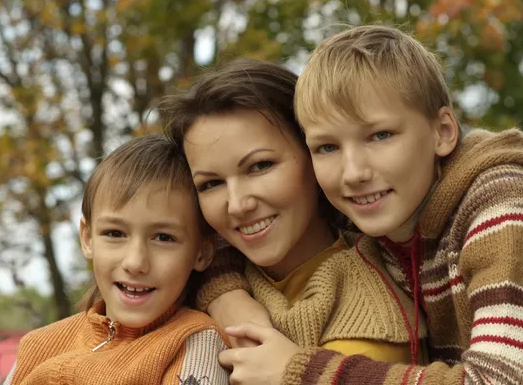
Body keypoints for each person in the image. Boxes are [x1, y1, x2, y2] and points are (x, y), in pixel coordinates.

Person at [207, 26, 523, 384]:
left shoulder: (499, 208)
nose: (353, 173)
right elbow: (208, 244)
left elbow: (501, 380)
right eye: (327, 147)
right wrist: (228, 296)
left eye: (380, 135)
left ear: (443, 132)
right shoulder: (375, 208)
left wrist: (302, 372)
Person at [160, 59, 426, 383]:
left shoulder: (369, 306)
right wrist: (221, 293)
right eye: (210, 184)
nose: (238, 205)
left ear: (316, 154)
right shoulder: (191, 273)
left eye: (260, 166)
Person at [4, 134, 229, 385]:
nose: (135, 262)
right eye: (115, 233)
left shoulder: (195, 341)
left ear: (202, 252)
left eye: (163, 238)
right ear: (87, 238)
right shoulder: (38, 346)